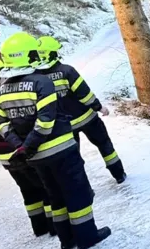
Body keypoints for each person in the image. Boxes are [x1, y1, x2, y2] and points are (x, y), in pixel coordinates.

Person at [0, 32, 111, 249]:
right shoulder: (41, 83)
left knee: (55, 196)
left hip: (36, 159)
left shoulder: (2, 91)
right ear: (27, 55)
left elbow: (1, 124)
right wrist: (28, 145)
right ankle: (87, 237)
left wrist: (20, 146)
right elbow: (45, 122)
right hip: (61, 150)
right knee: (78, 193)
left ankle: (66, 240)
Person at [0, 57, 55, 238]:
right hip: (18, 150)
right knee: (44, 188)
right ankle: (54, 226)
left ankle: (39, 228)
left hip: (3, 154)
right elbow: (12, 125)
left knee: (28, 191)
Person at [37, 36, 126, 184]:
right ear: (52, 53)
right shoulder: (67, 71)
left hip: (65, 127)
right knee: (105, 145)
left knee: (74, 158)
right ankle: (119, 175)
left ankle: (83, 185)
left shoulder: (37, 79)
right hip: (87, 118)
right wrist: (99, 107)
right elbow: (84, 94)